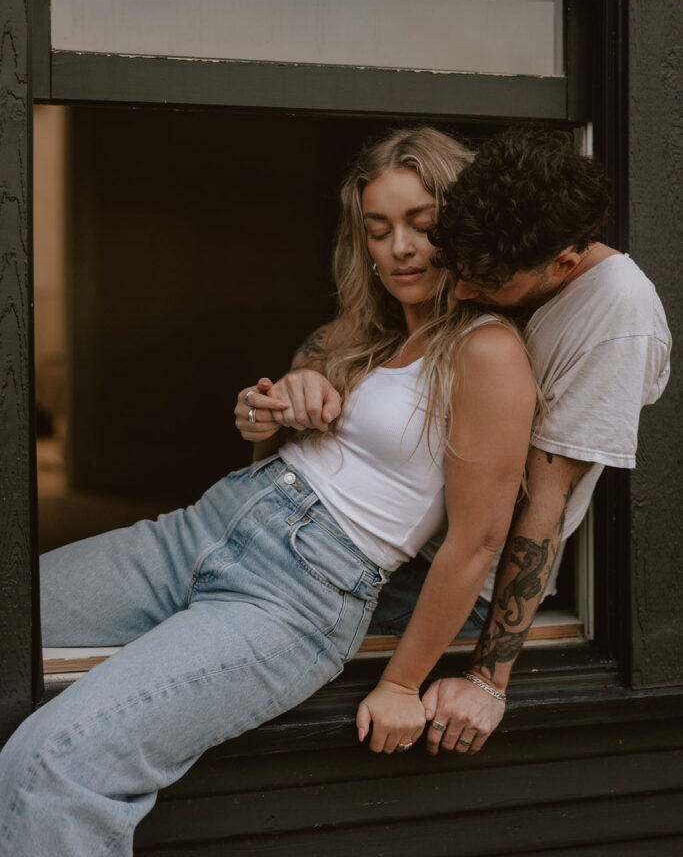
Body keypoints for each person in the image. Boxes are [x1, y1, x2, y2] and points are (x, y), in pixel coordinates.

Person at [0, 128, 537, 856]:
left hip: (296, 596)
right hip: (207, 526)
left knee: (53, 763)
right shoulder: (349, 335)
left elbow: (476, 541)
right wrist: (270, 405)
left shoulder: (487, 350)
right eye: (377, 230)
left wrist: (403, 685)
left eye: (420, 223)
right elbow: (266, 434)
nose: (398, 249)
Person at [248, 125, 671, 759]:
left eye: (489, 286)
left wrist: (487, 680)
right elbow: (359, 335)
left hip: (442, 579)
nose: (466, 294)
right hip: (382, 532)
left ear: (562, 264)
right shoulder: (496, 244)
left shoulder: (617, 318)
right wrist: (297, 388)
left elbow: (545, 498)